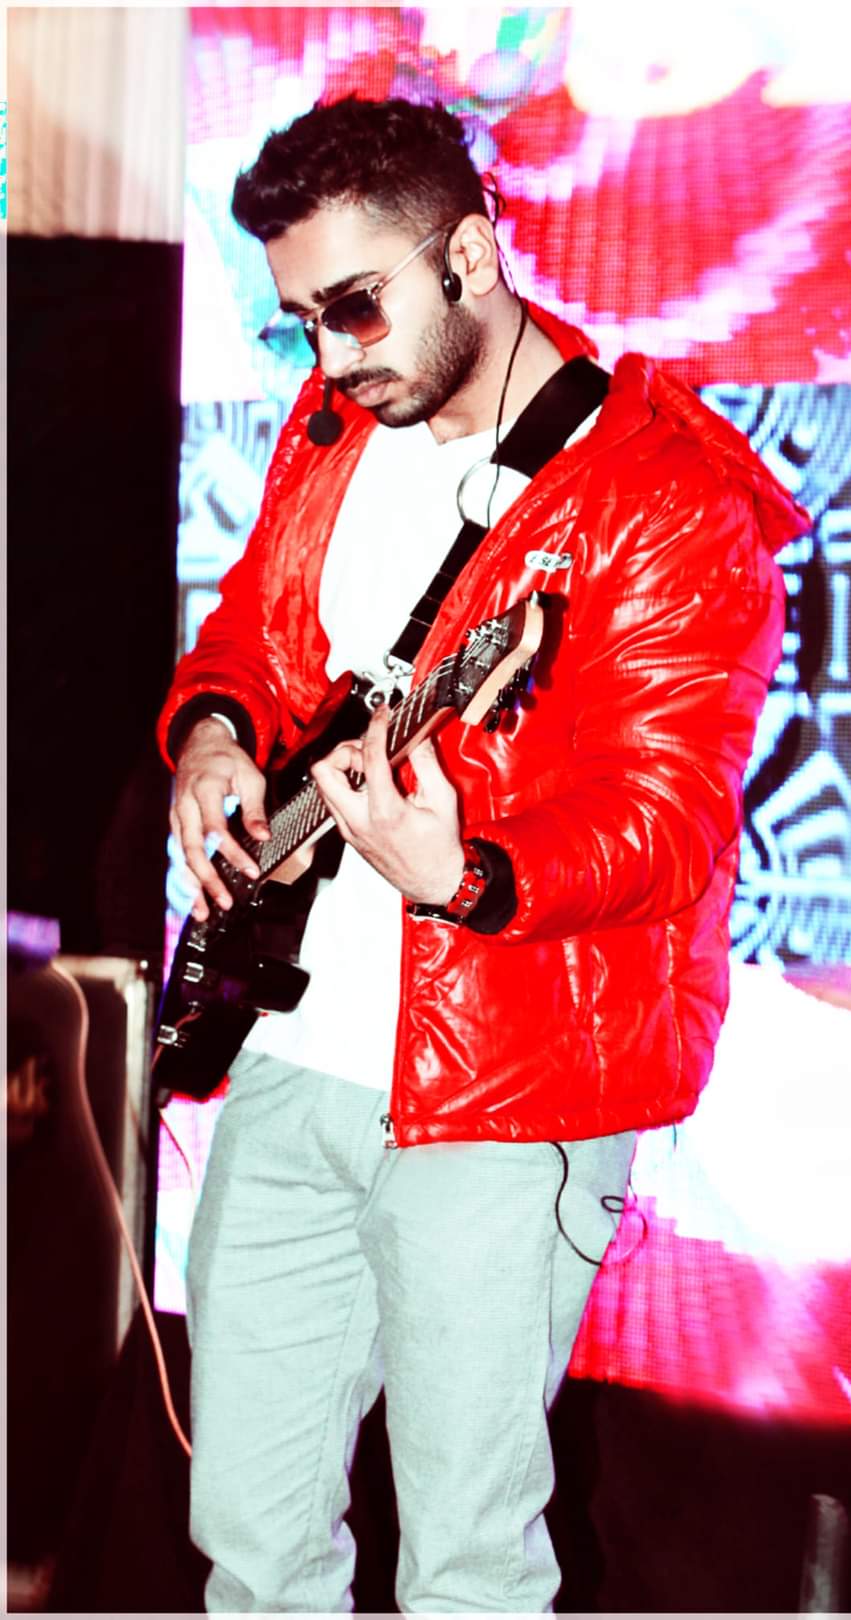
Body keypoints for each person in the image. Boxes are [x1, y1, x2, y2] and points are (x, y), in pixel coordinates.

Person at [159, 95, 809, 1614]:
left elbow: (669, 817)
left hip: (512, 1098)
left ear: (469, 252)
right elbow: (253, 633)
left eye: (354, 306)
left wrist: (471, 873)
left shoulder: (666, 496)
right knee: (248, 1544)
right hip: (295, 1058)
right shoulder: (335, 428)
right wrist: (213, 735)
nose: (330, 357)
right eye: (300, 321)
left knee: (464, 1564)